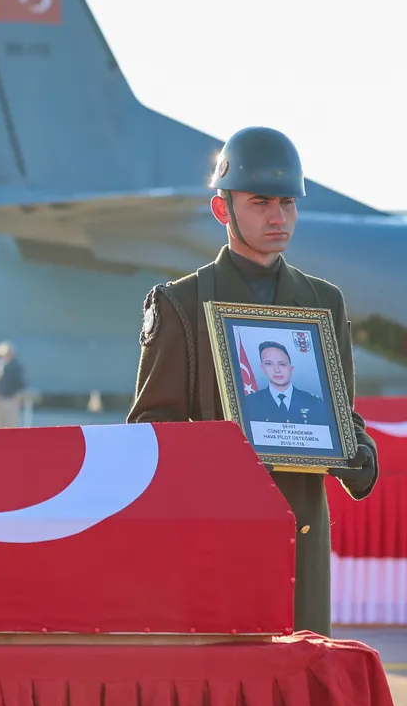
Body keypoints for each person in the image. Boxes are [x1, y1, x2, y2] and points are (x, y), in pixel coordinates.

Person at [127, 126, 378, 636]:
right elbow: (150, 431)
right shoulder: (180, 303)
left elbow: (343, 416)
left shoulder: (323, 302)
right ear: (223, 210)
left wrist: (355, 455)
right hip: (213, 536)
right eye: (260, 201)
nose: (277, 216)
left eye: (287, 202)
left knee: (297, 689)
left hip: (299, 537)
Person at [240, 340, 334, 430]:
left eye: (282, 364)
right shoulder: (249, 403)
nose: (277, 370)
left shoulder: (315, 403)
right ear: (263, 369)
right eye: (269, 364)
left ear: (291, 369)